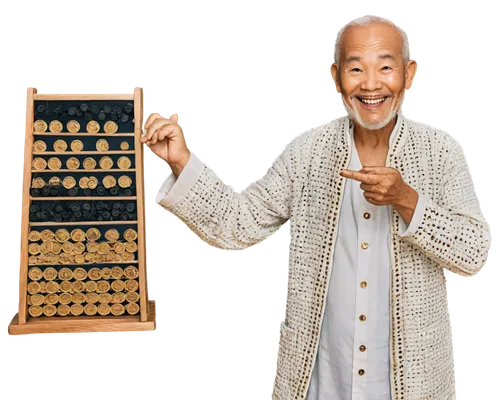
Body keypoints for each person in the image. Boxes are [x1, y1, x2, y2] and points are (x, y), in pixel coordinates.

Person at [144, 13, 493, 400]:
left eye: (386, 67)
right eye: (356, 68)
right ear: (335, 76)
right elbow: (236, 224)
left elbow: (474, 255)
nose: (371, 84)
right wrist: (179, 160)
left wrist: (406, 200)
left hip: (416, 385)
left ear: (410, 75)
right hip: (319, 382)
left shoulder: (441, 153)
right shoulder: (306, 151)